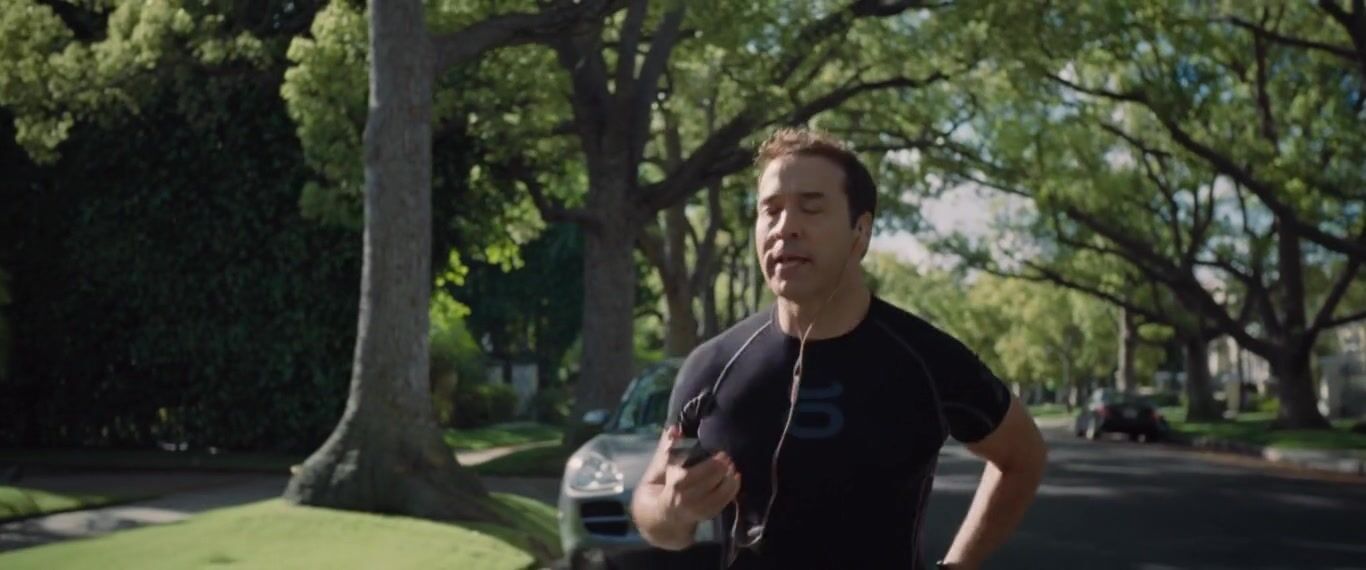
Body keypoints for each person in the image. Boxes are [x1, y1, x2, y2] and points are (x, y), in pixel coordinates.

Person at [629, 128, 1047, 569]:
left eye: (811, 207)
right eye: (770, 210)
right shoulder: (711, 367)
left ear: (859, 231)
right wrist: (673, 511)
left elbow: (1023, 456)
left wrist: (960, 564)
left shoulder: (927, 361)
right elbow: (653, 508)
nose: (785, 227)